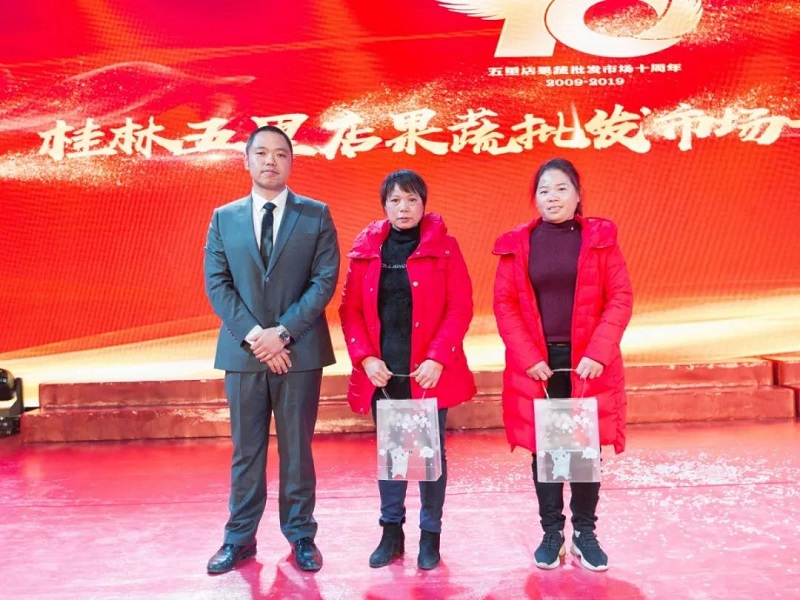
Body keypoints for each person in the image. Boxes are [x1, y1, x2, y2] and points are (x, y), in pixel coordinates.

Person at [203, 125, 340, 574]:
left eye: (280, 154)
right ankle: (239, 539)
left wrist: (282, 333)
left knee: (297, 449)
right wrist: (256, 336)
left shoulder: (315, 215)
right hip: (243, 354)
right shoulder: (224, 218)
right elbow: (218, 285)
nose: (270, 161)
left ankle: (301, 536)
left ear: (291, 162)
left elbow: (323, 281)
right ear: (246, 160)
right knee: (247, 452)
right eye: (261, 153)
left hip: (298, 352)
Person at [492, 157, 633, 572]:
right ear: (534, 198)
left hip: (587, 362)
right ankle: (551, 533)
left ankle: (585, 534)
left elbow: (620, 298)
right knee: (546, 450)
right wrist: (529, 358)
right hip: (540, 366)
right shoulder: (518, 244)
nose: (552, 197)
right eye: (544, 190)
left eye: (561, 188)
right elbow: (505, 305)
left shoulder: (600, 239)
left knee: (585, 449)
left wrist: (597, 352)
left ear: (577, 194)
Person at [339, 169, 476, 570]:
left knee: (431, 456)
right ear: (384, 206)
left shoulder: (445, 247)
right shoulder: (367, 249)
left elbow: (460, 306)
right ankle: (391, 533)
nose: (404, 208)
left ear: (423, 204)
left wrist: (437, 358)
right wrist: (366, 358)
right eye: (395, 200)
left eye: (412, 199)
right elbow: (350, 311)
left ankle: (430, 535)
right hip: (384, 374)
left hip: (428, 373)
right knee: (393, 454)